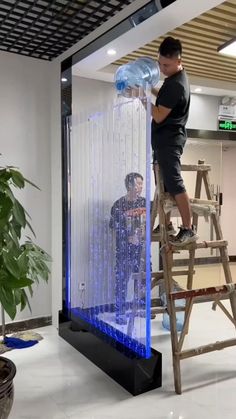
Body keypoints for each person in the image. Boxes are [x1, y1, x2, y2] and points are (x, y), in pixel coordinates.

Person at [151, 36, 198, 246]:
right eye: (160, 63)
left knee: (174, 183)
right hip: (163, 141)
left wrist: (143, 99)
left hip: (170, 141)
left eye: (166, 65)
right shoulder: (173, 80)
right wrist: (146, 90)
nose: (162, 68)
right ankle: (166, 224)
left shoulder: (177, 85)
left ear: (179, 61)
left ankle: (188, 228)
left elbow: (159, 114)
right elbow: (162, 96)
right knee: (163, 184)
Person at [109, 173, 146, 324]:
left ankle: (141, 308)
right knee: (122, 281)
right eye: (138, 183)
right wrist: (127, 237)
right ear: (129, 185)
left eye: (142, 184)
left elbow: (149, 222)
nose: (141, 187)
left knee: (143, 279)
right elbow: (113, 227)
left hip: (141, 249)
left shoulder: (144, 202)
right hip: (124, 250)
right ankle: (120, 313)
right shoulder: (119, 204)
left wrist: (145, 232)